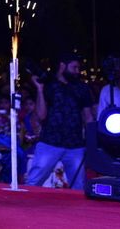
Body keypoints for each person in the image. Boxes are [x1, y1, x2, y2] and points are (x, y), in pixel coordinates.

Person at [24, 53, 94, 189]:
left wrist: (91, 142)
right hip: (50, 142)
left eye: (78, 68)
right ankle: (23, 208)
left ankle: (77, 210)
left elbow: (88, 117)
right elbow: (41, 116)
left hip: (75, 145)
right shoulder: (49, 85)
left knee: (78, 186)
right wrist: (39, 90)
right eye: (74, 67)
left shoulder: (82, 88)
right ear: (62, 66)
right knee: (33, 182)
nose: (77, 71)